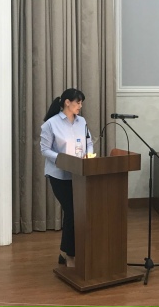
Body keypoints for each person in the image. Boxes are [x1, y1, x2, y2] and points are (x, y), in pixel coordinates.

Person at [40, 88, 93, 267]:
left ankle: (65, 252)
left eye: (81, 102)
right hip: (59, 175)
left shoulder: (82, 121)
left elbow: (89, 142)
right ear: (67, 102)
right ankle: (70, 254)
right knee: (72, 211)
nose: (80, 105)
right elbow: (45, 150)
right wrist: (63, 159)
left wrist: (88, 155)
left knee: (77, 212)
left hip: (79, 174)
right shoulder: (51, 124)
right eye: (78, 102)